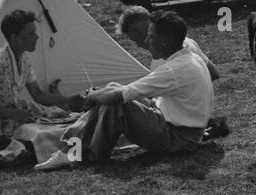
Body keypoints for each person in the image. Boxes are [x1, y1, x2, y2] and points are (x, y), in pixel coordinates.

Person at [47, 12, 213, 167]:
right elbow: (123, 90)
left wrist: (90, 95)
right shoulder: (189, 58)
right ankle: (75, 147)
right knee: (114, 88)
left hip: (179, 139)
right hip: (182, 128)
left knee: (117, 103)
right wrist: (98, 94)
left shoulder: (175, 69)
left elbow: (118, 96)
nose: (147, 41)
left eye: (151, 36)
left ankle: (88, 154)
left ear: (166, 42)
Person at [0, 9, 72, 148]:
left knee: (56, 120)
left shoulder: (24, 59)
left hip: (13, 115)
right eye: (31, 33)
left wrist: (69, 100)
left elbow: (38, 95)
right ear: (15, 37)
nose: (36, 37)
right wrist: (9, 113)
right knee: (44, 136)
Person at [116, 5, 220, 81]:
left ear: (140, 32)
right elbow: (213, 73)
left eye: (136, 40)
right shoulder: (187, 41)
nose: (138, 45)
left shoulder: (162, 63)